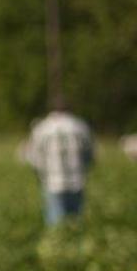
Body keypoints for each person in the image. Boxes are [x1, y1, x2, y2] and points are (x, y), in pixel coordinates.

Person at [24, 96, 94, 225]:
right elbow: (90, 154)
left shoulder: (42, 128)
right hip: (77, 180)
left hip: (52, 182)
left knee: (56, 226)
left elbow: (34, 157)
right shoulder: (80, 126)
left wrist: (40, 175)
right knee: (75, 224)